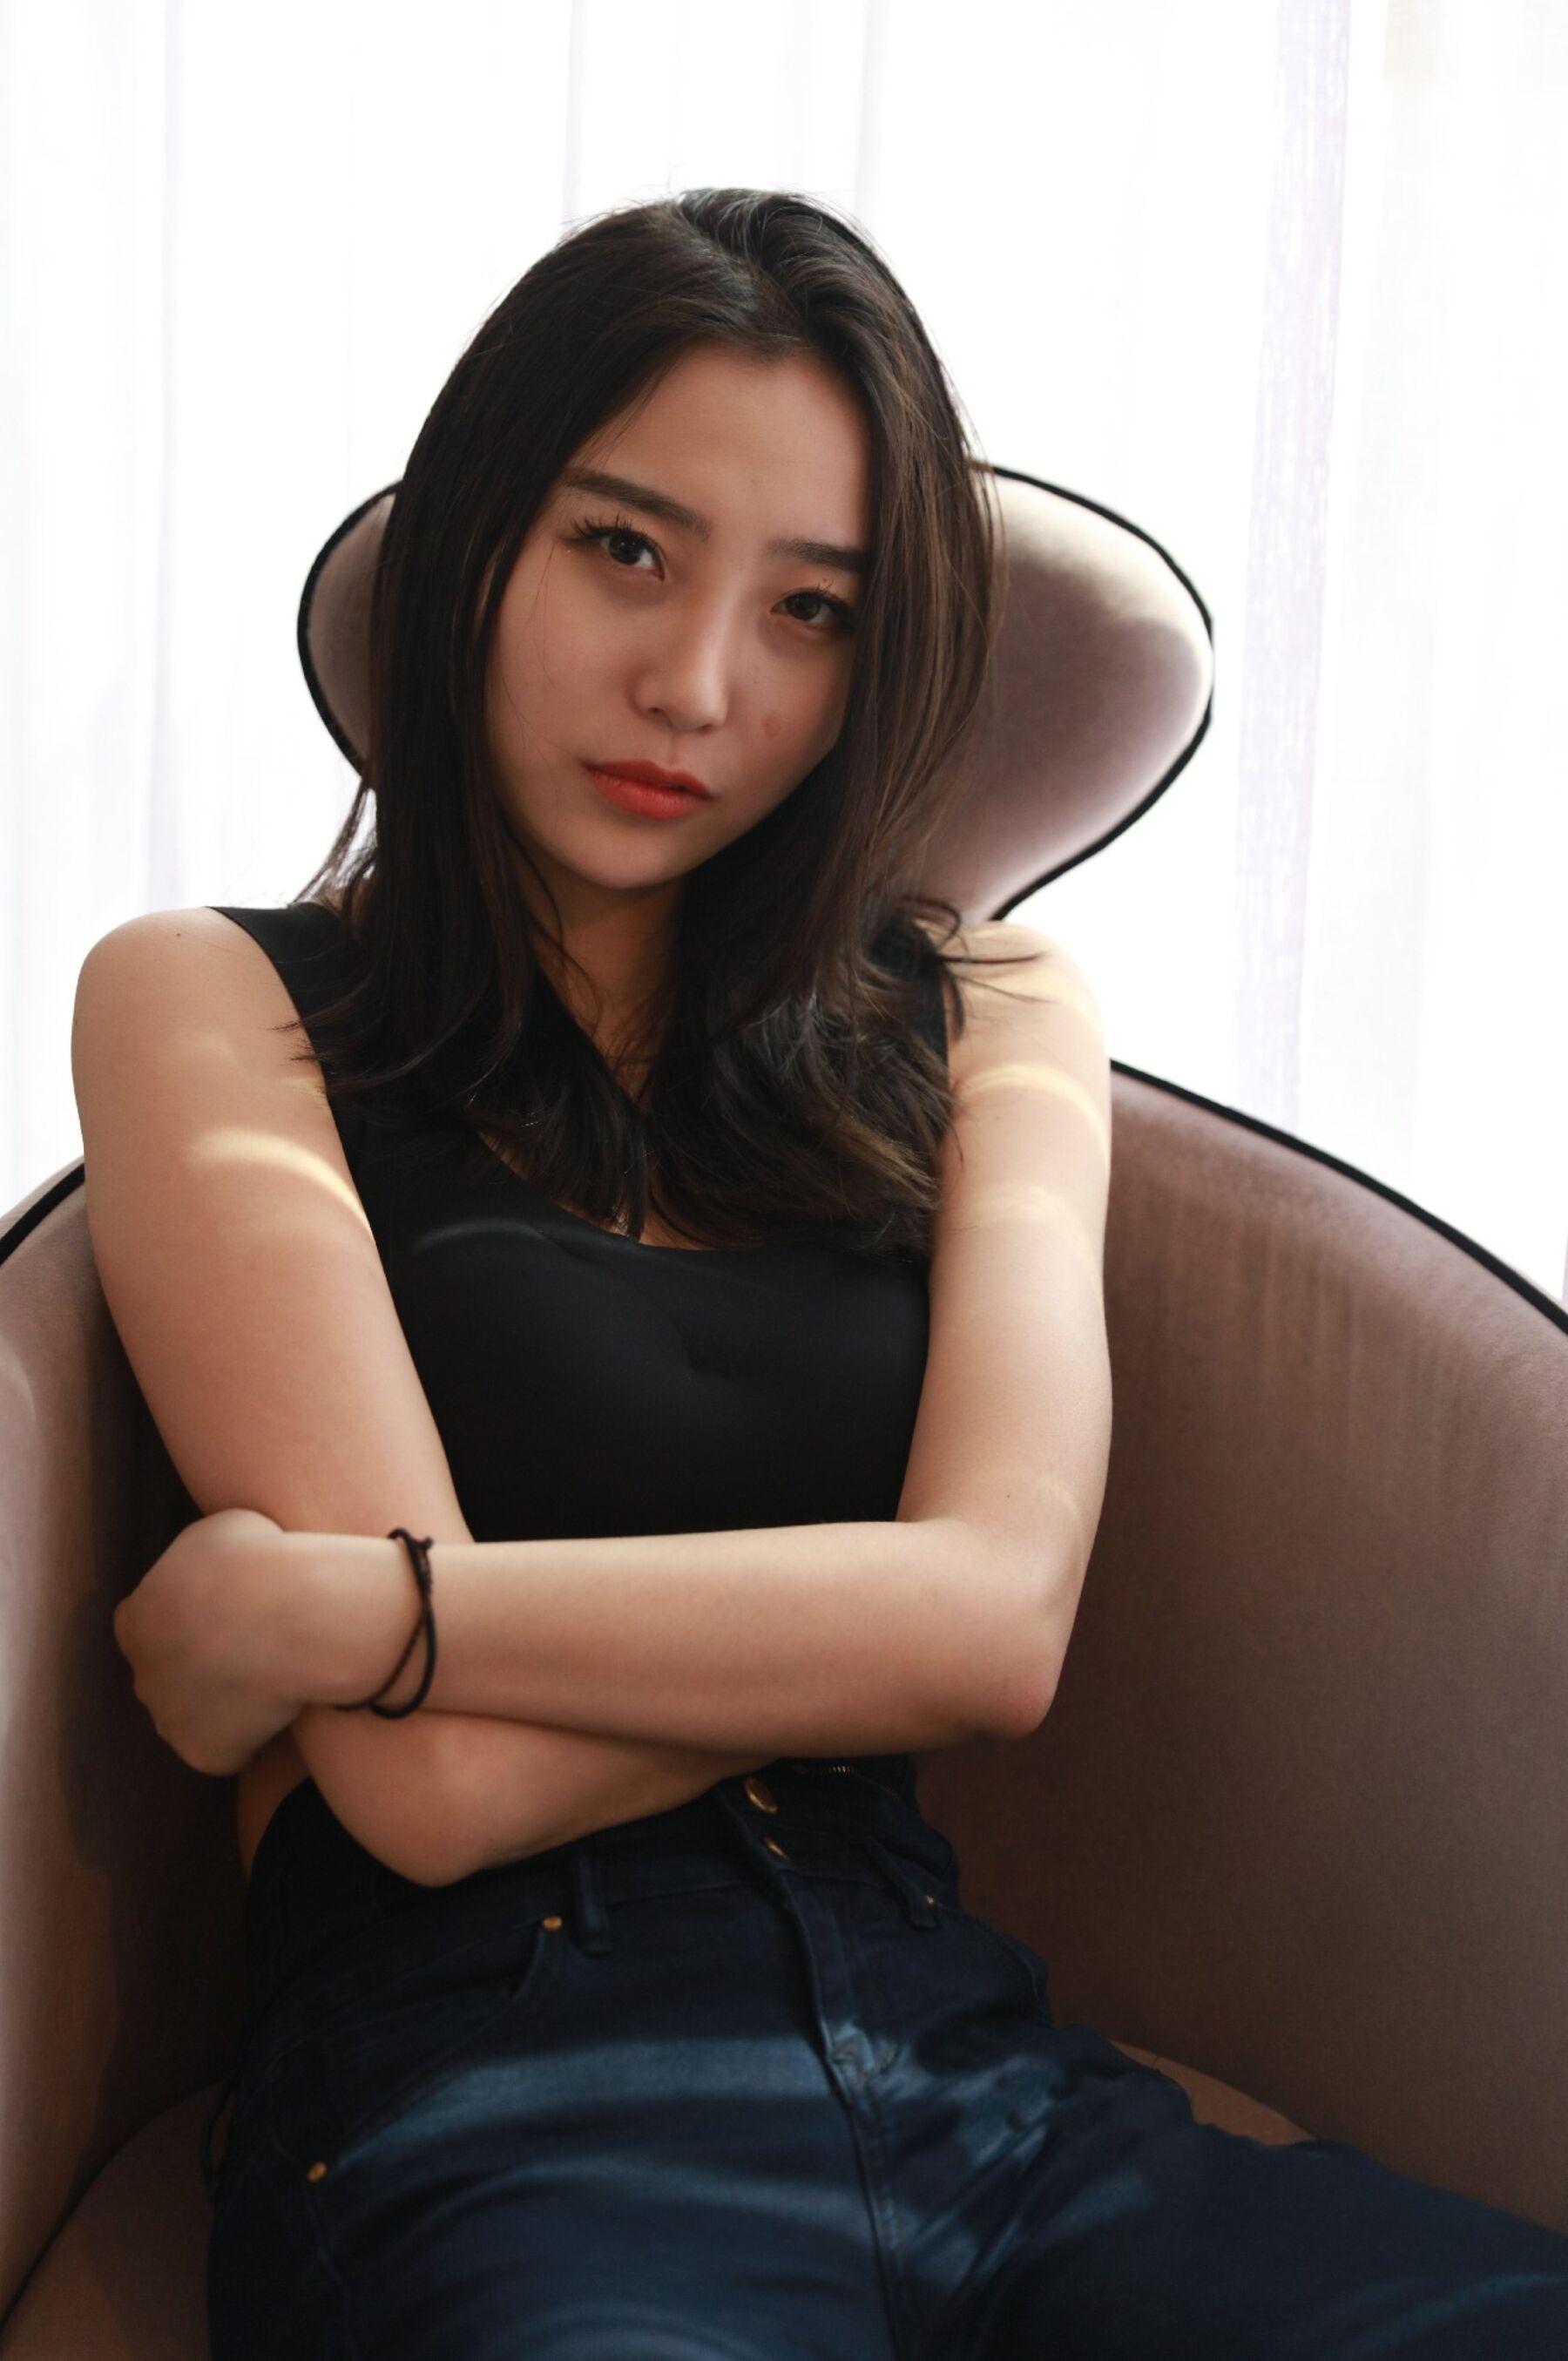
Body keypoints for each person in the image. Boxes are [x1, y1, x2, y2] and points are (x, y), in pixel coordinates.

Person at [74, 190, 1568, 2358]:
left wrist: (364, 1613)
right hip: (490, 2096)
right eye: (626, 548)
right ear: (481, 534)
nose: (697, 685)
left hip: (967, 2072)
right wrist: (869, 1624)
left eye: (813, 612)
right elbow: (432, 1793)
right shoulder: (215, 1000)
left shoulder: (995, 1012)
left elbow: (1001, 1626)